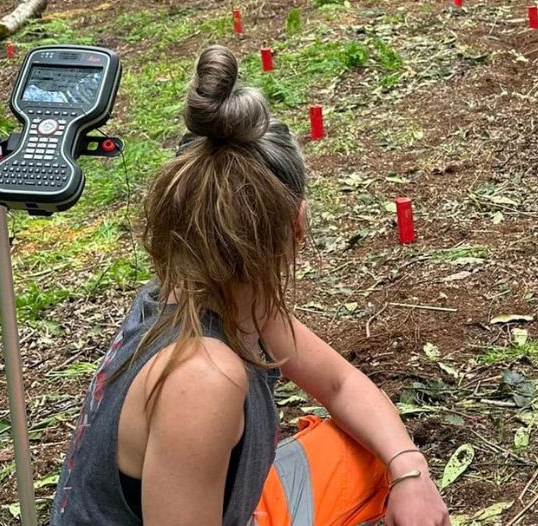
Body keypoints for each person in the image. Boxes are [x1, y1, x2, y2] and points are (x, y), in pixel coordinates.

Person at [50, 45, 450, 526]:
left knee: (367, 453)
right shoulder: (204, 378)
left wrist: (410, 471)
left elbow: (341, 384)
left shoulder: (211, 297)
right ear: (298, 223)